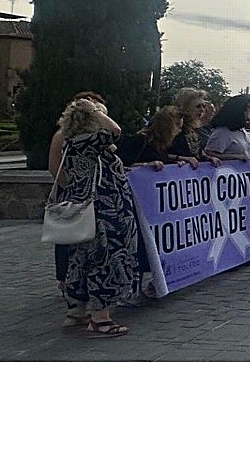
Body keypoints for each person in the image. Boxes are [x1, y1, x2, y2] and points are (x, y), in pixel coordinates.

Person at [56, 96, 138, 337]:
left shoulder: (73, 142)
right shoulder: (88, 142)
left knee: (81, 261)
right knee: (104, 261)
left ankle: (76, 312)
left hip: (86, 210)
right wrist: (95, 111)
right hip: (103, 212)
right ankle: (101, 318)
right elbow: (115, 130)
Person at [116, 105, 192, 304]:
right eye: (177, 127)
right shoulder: (140, 140)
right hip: (134, 203)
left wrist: (177, 161)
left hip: (152, 206)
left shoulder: (160, 145)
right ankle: (130, 290)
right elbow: (119, 165)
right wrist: (144, 167)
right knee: (136, 245)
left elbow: (162, 159)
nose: (178, 132)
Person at [47, 90, 109, 304]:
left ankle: (82, 283)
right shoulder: (62, 135)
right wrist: (73, 189)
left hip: (90, 194)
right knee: (67, 235)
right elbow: (55, 166)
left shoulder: (96, 136)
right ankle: (65, 279)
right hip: (74, 192)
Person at [204, 95, 250, 161]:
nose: (249, 111)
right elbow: (209, 154)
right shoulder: (222, 132)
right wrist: (235, 157)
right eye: (248, 108)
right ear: (239, 111)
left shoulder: (241, 130)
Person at [169, 87, 213, 163]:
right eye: (198, 106)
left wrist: (209, 158)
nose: (202, 110)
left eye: (204, 106)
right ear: (185, 107)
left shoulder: (196, 129)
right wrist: (178, 158)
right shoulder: (171, 126)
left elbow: (197, 152)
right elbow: (158, 154)